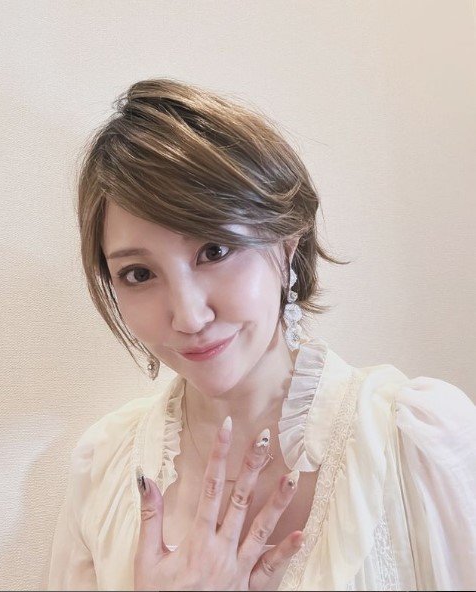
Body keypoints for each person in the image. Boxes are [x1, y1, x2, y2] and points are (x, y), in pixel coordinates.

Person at [47, 78, 476, 591]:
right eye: (139, 274)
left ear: (287, 242)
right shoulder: (105, 468)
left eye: (214, 251)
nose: (188, 316)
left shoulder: (413, 441)